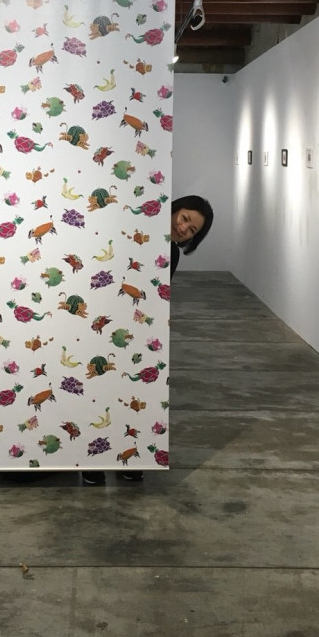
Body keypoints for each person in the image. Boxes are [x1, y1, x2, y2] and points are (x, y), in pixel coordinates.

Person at [82, 194, 214, 485]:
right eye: (184, 219)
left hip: (137, 330)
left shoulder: (172, 253)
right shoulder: (134, 229)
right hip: (103, 318)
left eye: (192, 230)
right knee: (98, 392)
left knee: (133, 395)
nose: (183, 229)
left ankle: (131, 456)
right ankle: (93, 460)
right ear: (174, 209)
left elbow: (158, 296)